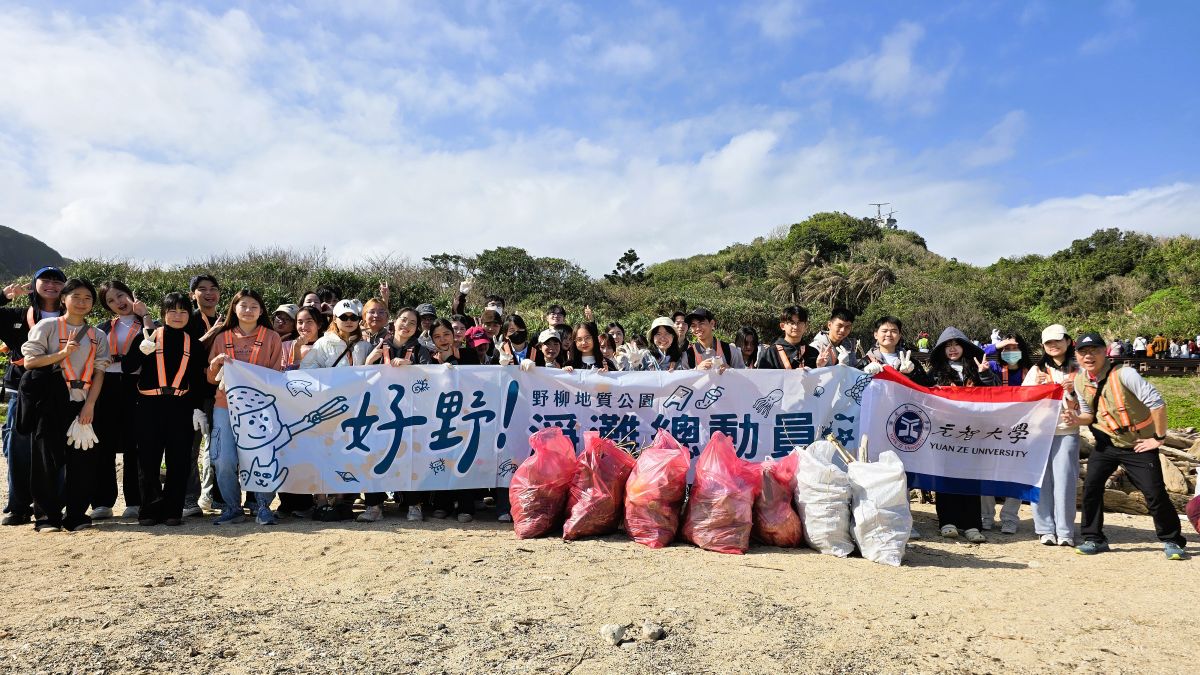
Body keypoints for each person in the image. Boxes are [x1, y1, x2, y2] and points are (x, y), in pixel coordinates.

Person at [1067, 332, 1188, 560]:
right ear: (1076, 355)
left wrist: (1158, 438)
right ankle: (1094, 538)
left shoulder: (1125, 374)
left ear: (1106, 352)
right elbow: (1088, 414)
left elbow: (1157, 403)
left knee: (1154, 493)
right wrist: (1076, 419)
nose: (1088, 356)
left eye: (1094, 350)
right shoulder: (1079, 380)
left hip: (1138, 444)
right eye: (1083, 352)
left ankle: (1172, 540)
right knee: (1091, 488)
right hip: (1106, 443)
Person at [20, 278, 111, 532]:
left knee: (83, 461)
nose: (82, 303)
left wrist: (90, 405)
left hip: (83, 402)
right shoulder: (47, 326)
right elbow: (30, 362)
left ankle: (77, 515)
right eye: (76, 297)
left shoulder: (97, 335)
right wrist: (62, 354)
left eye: (87, 298)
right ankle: (46, 517)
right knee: (46, 460)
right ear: (63, 299)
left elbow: (100, 372)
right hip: (51, 402)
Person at [121, 292, 207, 526]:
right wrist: (141, 350)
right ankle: (148, 510)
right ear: (163, 314)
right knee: (148, 460)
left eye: (183, 311)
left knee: (179, 461)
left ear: (189, 314)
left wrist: (198, 409)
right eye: (172, 311)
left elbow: (199, 382)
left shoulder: (195, 344)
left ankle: (173, 511)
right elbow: (128, 367)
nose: (178, 316)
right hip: (149, 406)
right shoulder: (147, 336)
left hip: (181, 407)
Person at [206, 288, 283, 526]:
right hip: (224, 406)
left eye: (254, 306)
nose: (248, 311)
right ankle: (232, 506)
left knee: (262, 455)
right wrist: (216, 364)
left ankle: (263, 506)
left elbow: (276, 375)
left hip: (260, 409)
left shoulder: (272, 337)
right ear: (234, 309)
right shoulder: (222, 337)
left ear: (261, 311)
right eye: (244, 306)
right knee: (223, 458)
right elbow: (210, 378)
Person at [1, 266, 65, 526]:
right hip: (22, 387)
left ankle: (53, 505)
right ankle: (18, 506)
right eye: (45, 279)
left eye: (57, 280)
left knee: (55, 450)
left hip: (60, 388)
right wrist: (3, 297)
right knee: (19, 448)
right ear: (33, 284)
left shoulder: (71, 314)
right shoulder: (16, 315)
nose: (51, 284)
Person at [926, 326, 998, 543]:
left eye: (956, 344)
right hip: (945, 433)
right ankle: (947, 521)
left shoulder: (977, 369)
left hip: (973, 432)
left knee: (971, 477)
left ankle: (972, 524)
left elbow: (995, 393)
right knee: (945, 476)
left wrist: (985, 374)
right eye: (947, 346)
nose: (952, 349)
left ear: (965, 348)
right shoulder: (936, 373)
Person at [364, 306, 432, 522]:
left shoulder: (420, 350)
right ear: (394, 322)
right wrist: (369, 360)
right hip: (379, 413)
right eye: (403, 320)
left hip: (409, 414)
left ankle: (414, 504)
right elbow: (361, 376)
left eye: (412, 323)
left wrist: (411, 366)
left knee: (411, 457)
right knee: (374, 456)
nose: (407, 325)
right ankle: (374, 505)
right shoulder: (380, 346)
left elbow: (431, 378)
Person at [92, 280, 151, 520]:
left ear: (131, 294)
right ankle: (102, 502)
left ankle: (135, 501)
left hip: (134, 387)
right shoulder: (103, 327)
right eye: (111, 300)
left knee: (133, 446)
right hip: (105, 386)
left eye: (121, 295)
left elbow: (155, 341)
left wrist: (145, 315)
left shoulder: (147, 324)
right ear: (107, 306)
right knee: (103, 445)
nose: (119, 302)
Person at [1023, 324, 1081, 547]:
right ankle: (1045, 529)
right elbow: (1023, 400)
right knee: (1040, 481)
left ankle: (1065, 531)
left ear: (1068, 341)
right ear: (1043, 346)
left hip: (1067, 431)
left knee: (1065, 481)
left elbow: (1088, 401)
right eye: (1048, 343)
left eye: (1057, 341)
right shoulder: (1036, 371)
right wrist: (1039, 388)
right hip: (1039, 433)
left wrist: (1067, 388)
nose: (1053, 346)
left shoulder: (1079, 371)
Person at [980, 335, 1035, 534]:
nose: (1010, 352)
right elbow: (977, 353)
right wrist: (996, 345)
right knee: (986, 473)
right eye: (1006, 348)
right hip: (994, 428)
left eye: (1015, 347)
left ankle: (1010, 518)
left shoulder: (1031, 372)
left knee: (1016, 474)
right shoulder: (994, 368)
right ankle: (986, 516)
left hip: (1021, 430)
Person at [276, 306, 327, 519]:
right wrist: (295, 351)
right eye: (299, 322)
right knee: (290, 455)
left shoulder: (326, 346)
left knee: (314, 455)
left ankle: (315, 500)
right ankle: (290, 501)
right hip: (290, 410)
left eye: (308, 322)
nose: (303, 326)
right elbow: (279, 375)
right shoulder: (285, 345)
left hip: (319, 410)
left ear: (319, 325)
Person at [186, 274, 222, 516]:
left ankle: (216, 497)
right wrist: (212, 333)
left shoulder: (227, 320)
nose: (208, 293)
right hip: (190, 394)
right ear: (193, 295)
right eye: (202, 289)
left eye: (213, 289)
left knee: (219, 447)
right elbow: (183, 352)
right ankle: (189, 498)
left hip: (219, 392)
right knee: (189, 447)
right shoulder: (186, 319)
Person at [299, 299, 373, 369]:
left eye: (353, 317)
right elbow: (306, 370)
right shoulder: (322, 344)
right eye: (343, 317)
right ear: (334, 318)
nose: (349, 321)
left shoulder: (366, 346)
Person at [862, 316, 931, 385]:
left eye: (894, 331)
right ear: (876, 335)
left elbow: (926, 386)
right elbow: (854, 386)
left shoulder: (910, 362)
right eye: (884, 331)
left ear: (899, 335)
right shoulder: (866, 362)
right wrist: (864, 373)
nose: (889, 334)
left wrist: (912, 374)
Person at [756, 306, 816, 370]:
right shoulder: (771, 353)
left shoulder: (813, 353)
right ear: (782, 326)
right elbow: (762, 378)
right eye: (792, 323)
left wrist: (819, 366)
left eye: (799, 323)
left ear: (806, 326)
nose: (795, 327)